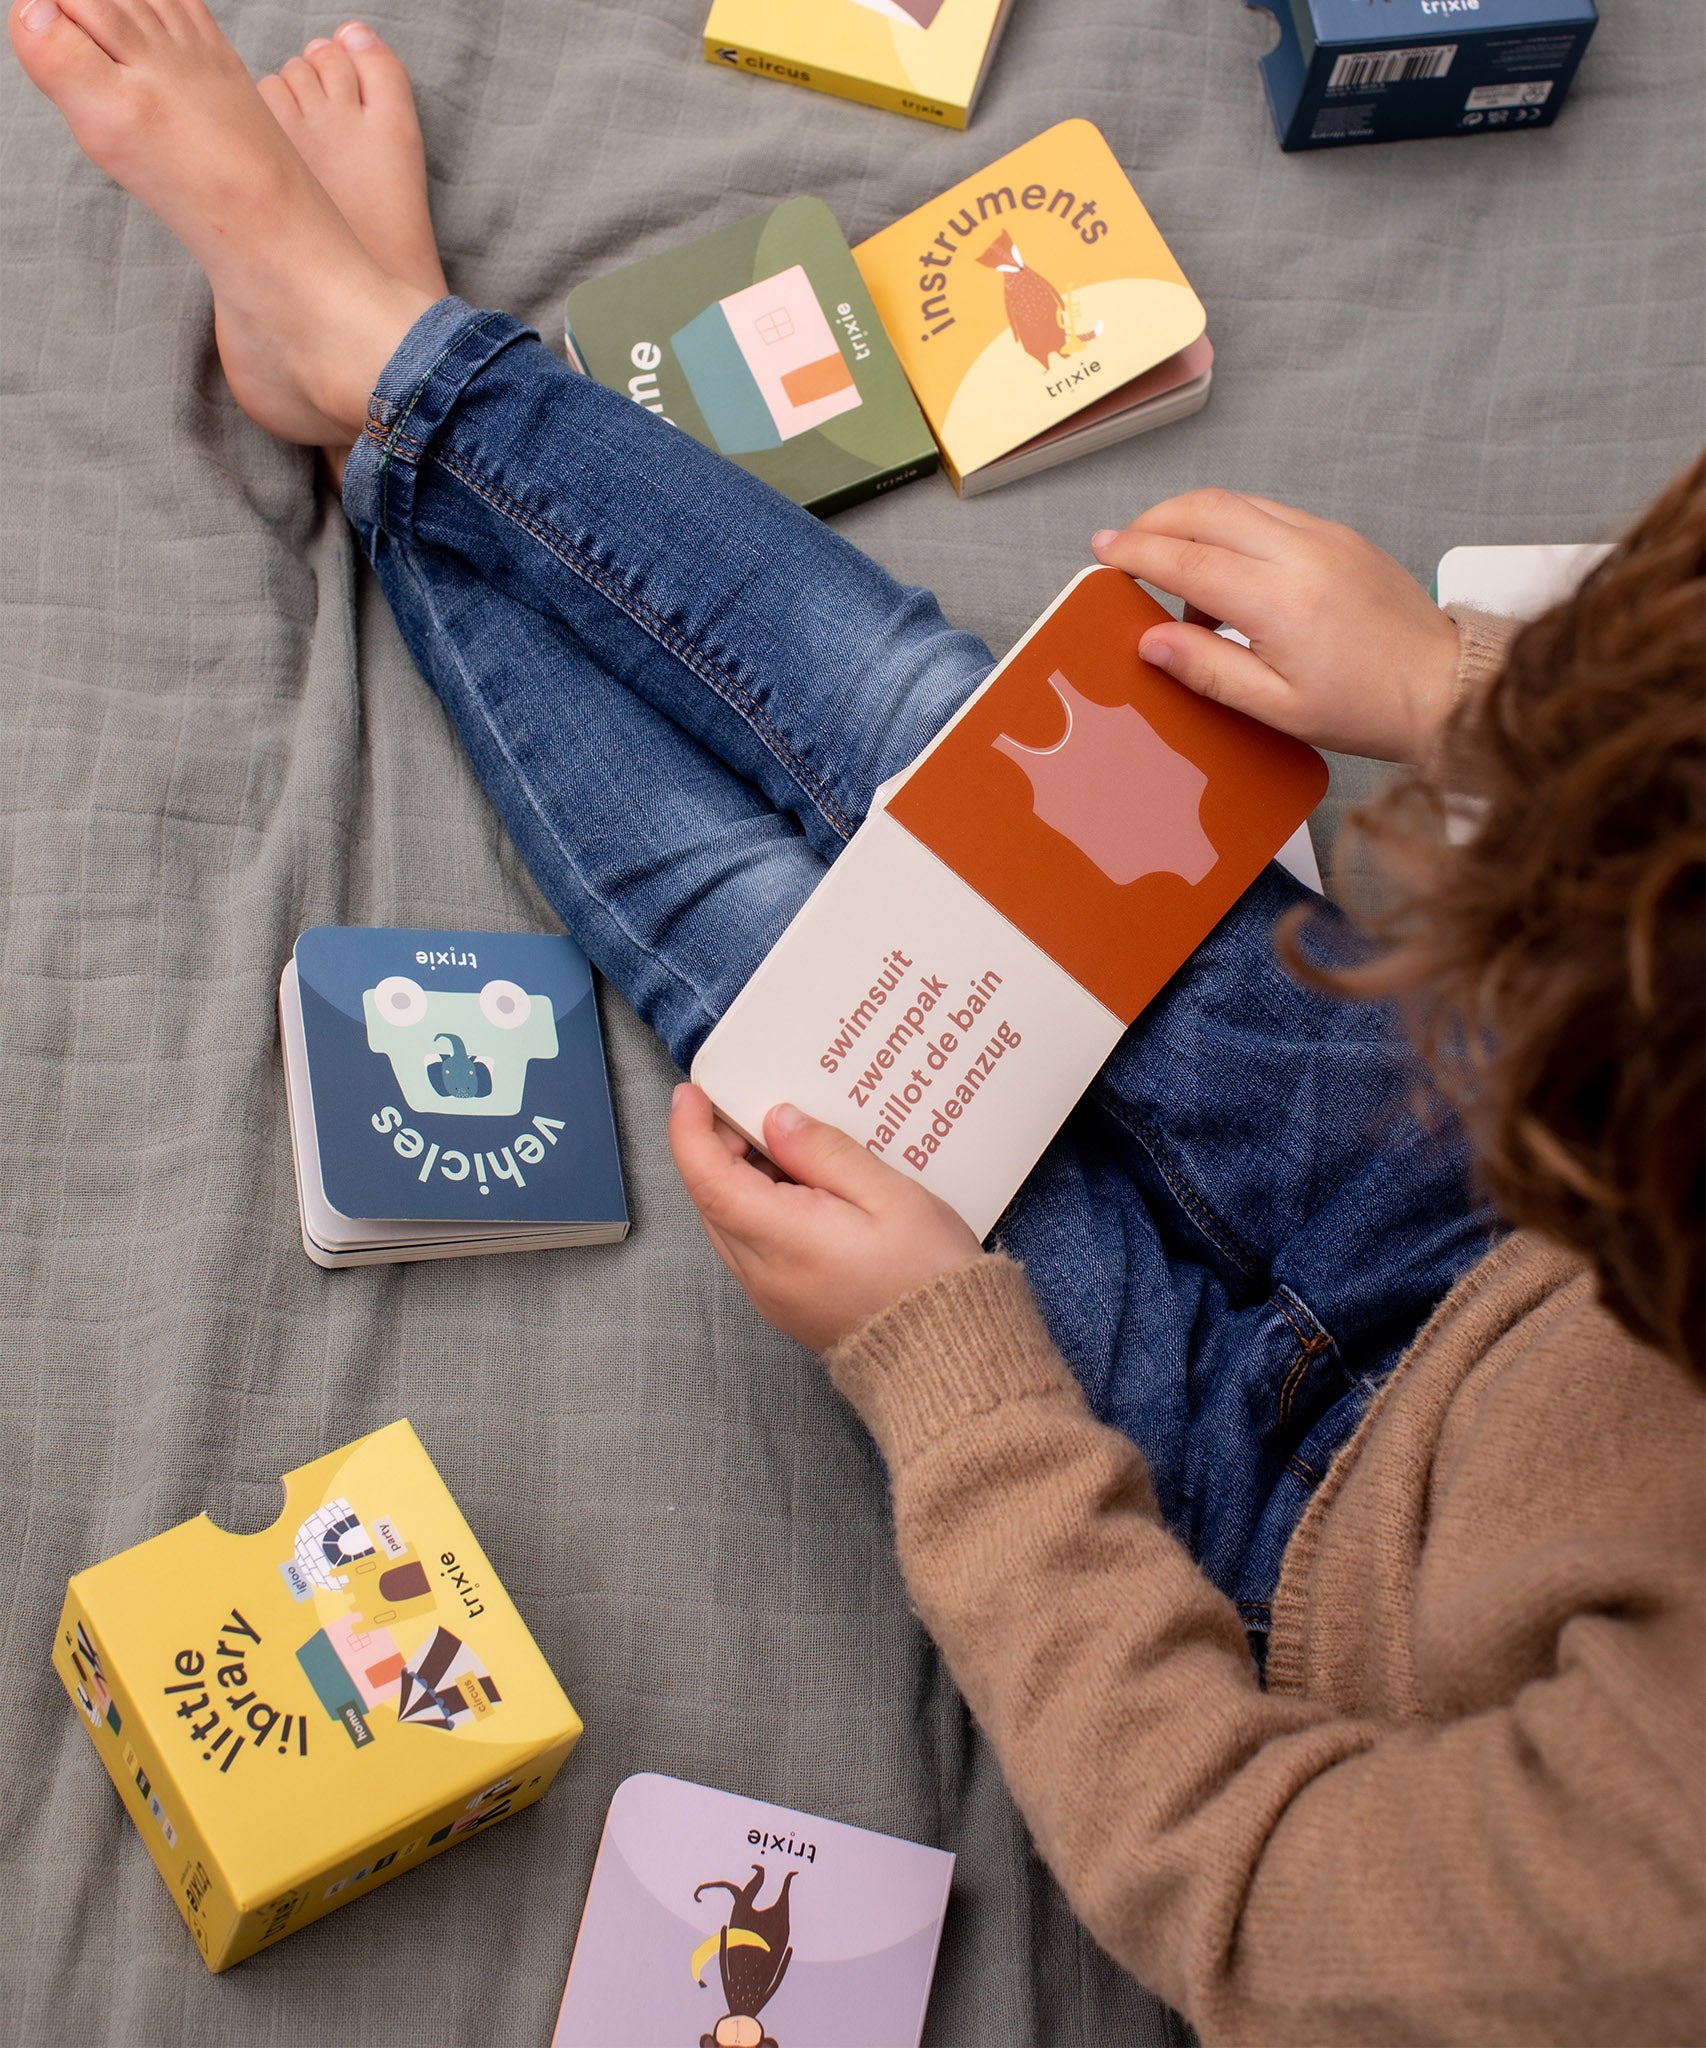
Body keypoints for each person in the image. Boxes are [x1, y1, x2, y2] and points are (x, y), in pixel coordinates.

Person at [12, 3, 1702, 2039]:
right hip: (1476, 1233)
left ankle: (368, 382)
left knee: (760, 967)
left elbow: (1244, 1896)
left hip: (1265, 1535)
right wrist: (1467, 688)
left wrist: (948, 1376)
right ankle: (375, 347)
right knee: (942, 731)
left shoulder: (1641, 1891)